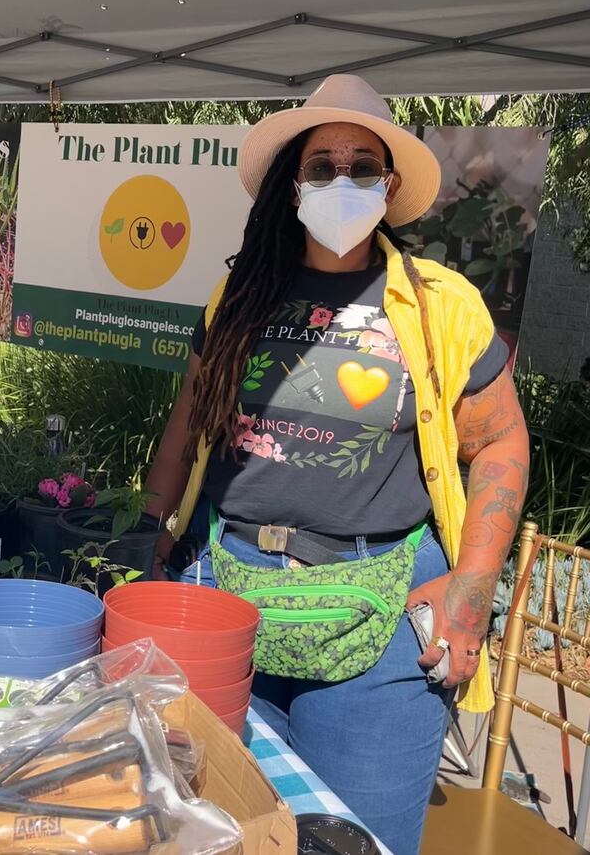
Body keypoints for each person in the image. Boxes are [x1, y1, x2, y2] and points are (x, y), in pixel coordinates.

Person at [145, 74, 530, 855]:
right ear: (294, 186)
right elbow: (191, 416)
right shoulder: (241, 293)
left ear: (389, 187)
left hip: (379, 619)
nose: (342, 181)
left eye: (362, 167)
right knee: (214, 831)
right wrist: (150, 525)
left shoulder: (440, 302)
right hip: (225, 592)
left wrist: (473, 584)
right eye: (323, 166)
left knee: (354, 842)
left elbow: (500, 440)